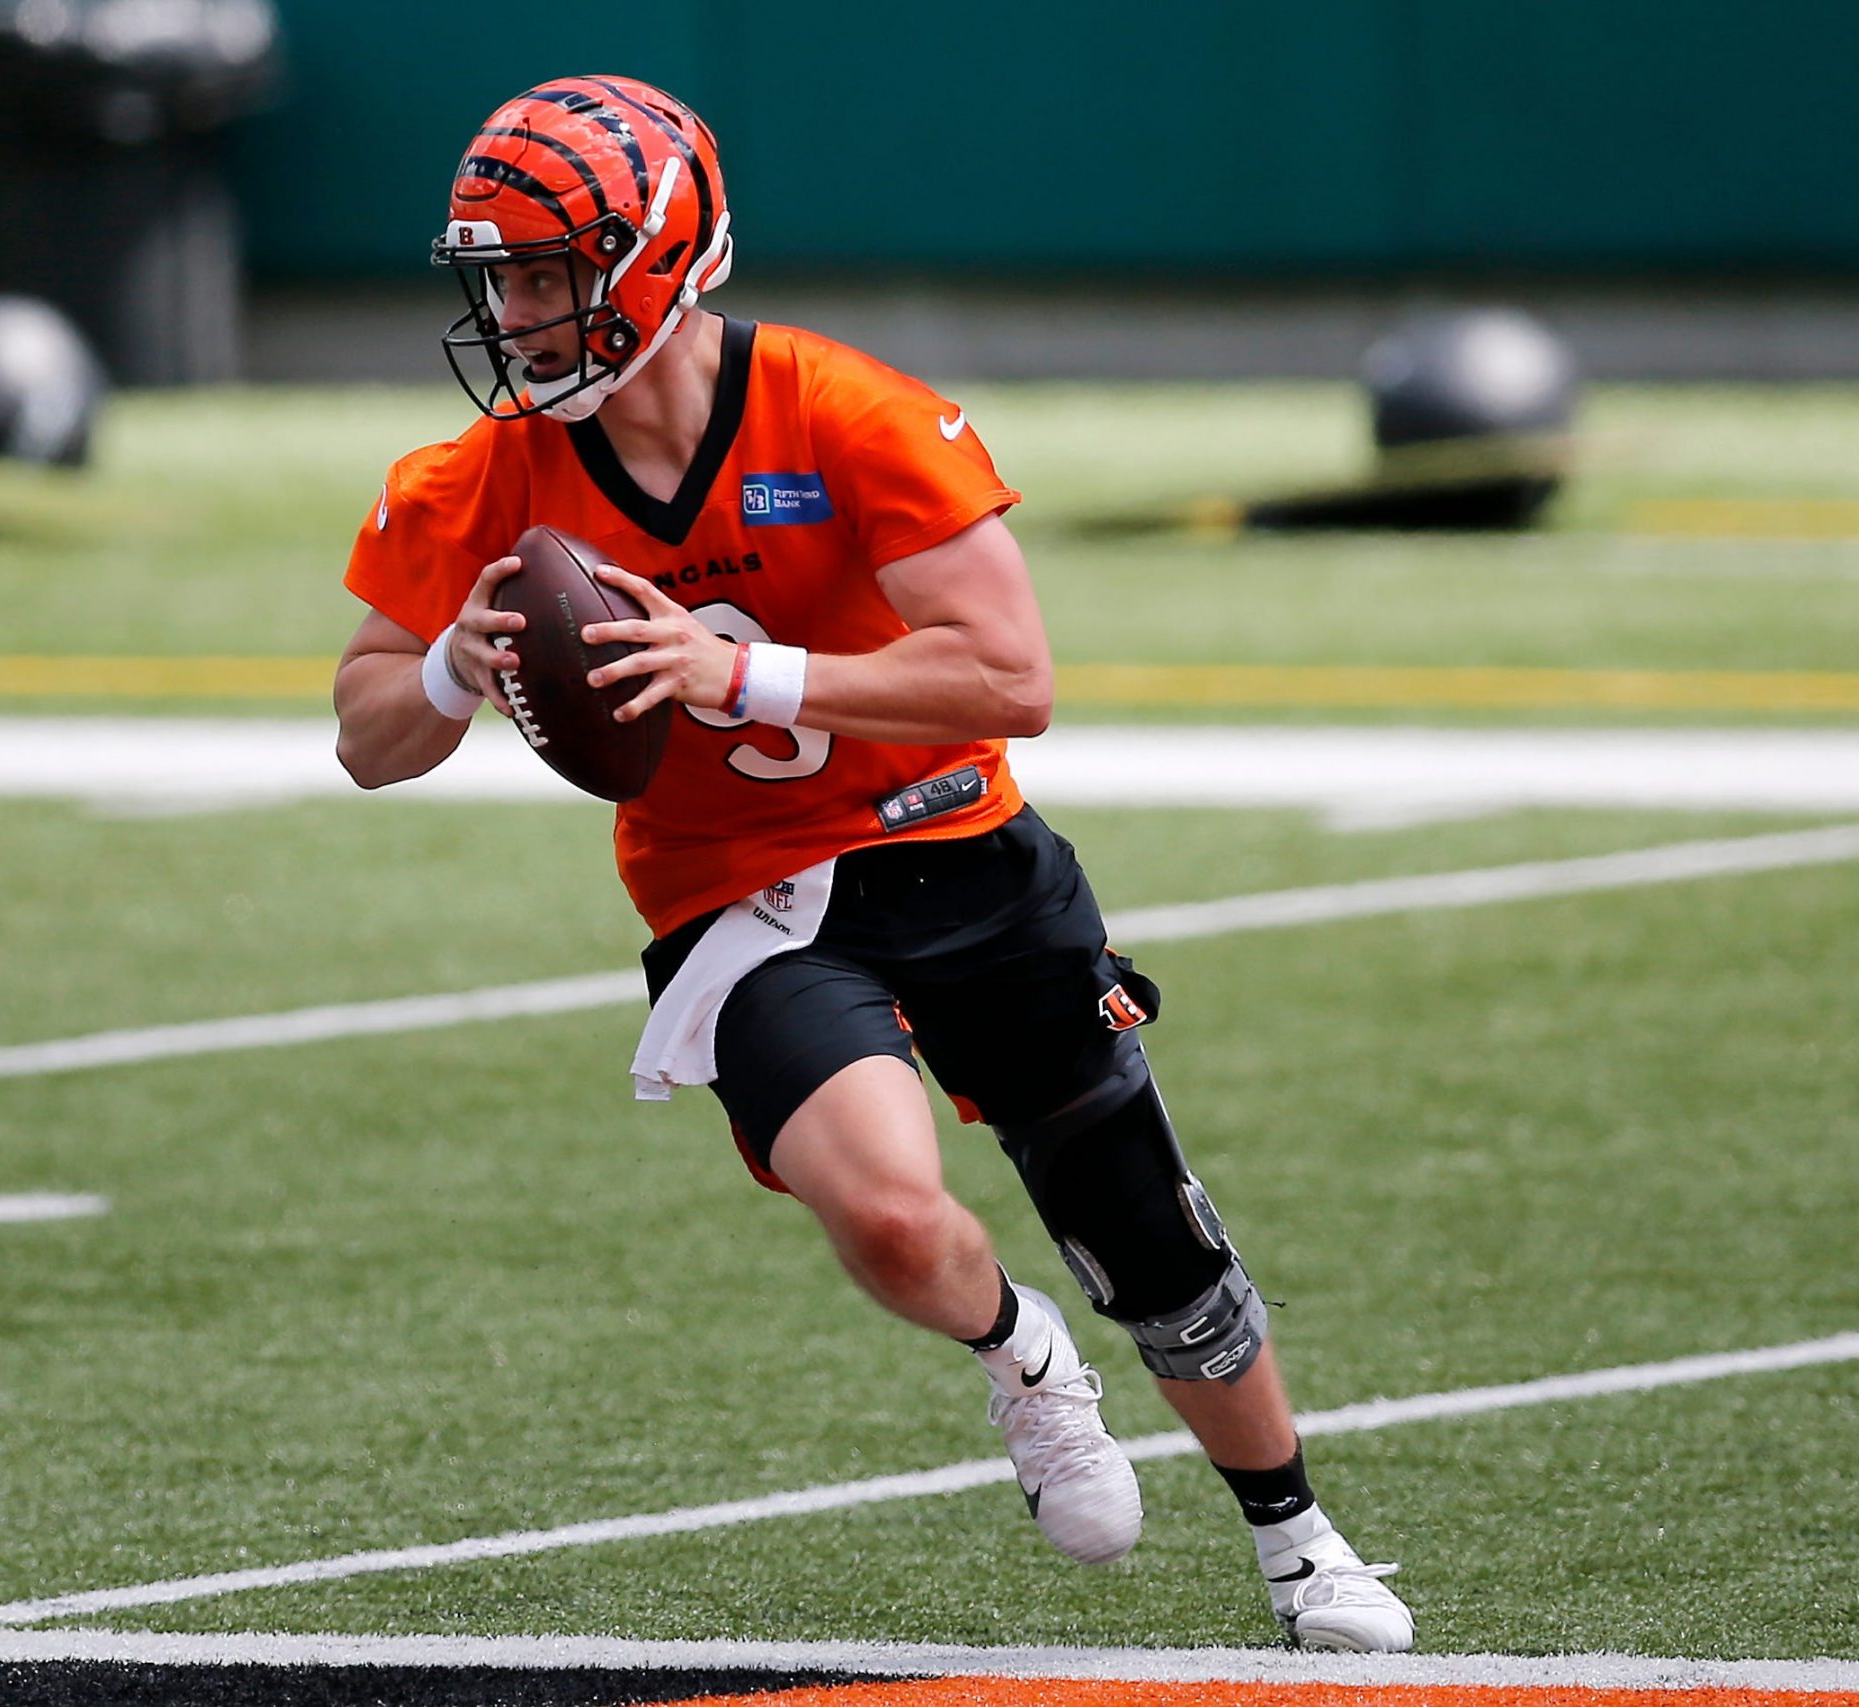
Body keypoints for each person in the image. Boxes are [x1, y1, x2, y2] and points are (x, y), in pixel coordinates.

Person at [330, 74, 1413, 1653]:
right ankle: (1022, 1362)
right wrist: (446, 669)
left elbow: (1011, 676)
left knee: (1152, 1240)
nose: (519, 314)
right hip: (743, 893)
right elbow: (363, 732)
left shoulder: (844, 414)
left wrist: (745, 678)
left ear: (655, 259)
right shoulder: (483, 479)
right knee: (894, 1219)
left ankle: (1299, 1540)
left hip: (961, 852)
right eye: (500, 278)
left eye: (547, 274)